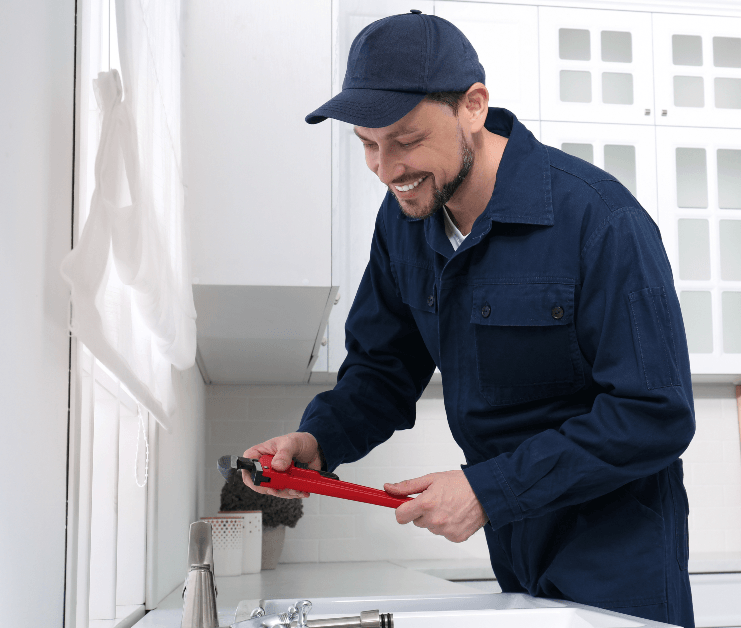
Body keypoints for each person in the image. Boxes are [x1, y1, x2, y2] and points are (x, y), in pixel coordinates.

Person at [241, 10, 696, 627]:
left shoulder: (599, 219)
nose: (387, 169)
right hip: (513, 543)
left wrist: (489, 489)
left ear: (473, 107)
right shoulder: (400, 225)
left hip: (620, 551)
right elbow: (382, 371)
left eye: (406, 140)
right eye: (368, 146)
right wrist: (318, 442)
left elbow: (655, 414)